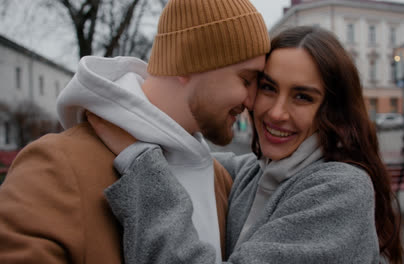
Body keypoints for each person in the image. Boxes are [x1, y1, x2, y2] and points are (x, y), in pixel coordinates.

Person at [88, 26, 403, 263]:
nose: (276, 112)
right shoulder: (254, 173)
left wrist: (137, 159)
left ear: (332, 110)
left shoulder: (342, 190)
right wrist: (134, 114)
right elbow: (192, 158)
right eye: (268, 88)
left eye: (302, 96)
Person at [0, 0, 270, 263]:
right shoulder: (55, 166)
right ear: (190, 63)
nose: (252, 102)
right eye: (245, 80)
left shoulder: (219, 180)